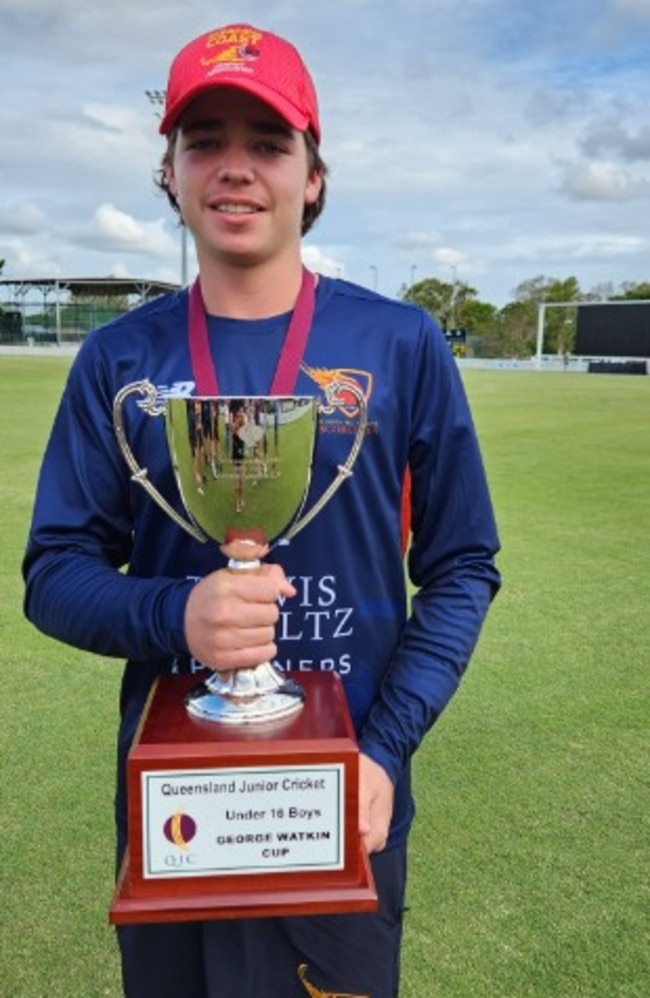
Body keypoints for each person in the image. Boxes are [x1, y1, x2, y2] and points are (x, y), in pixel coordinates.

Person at [22, 22, 500, 998]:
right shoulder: (117, 361)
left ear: (312, 176)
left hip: (345, 794)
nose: (234, 167)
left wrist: (383, 747)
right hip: (178, 808)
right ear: (169, 171)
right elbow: (54, 569)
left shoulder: (400, 342)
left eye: (267, 142)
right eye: (205, 140)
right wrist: (175, 613)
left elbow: (461, 565)